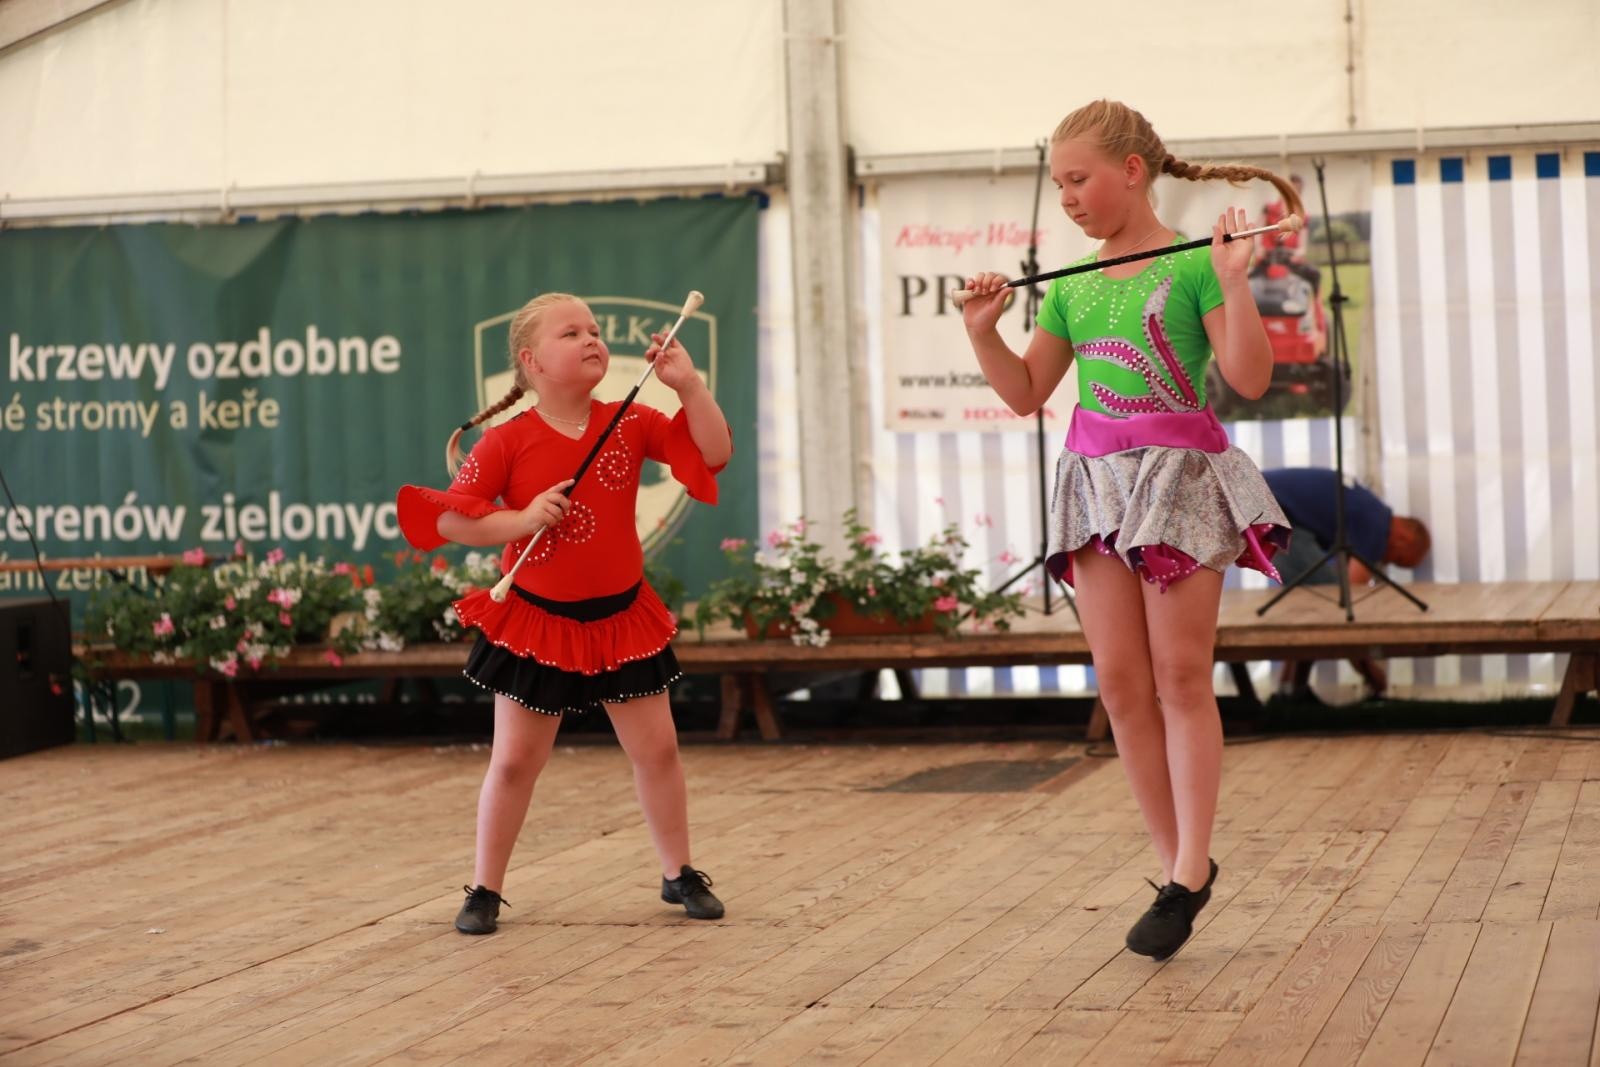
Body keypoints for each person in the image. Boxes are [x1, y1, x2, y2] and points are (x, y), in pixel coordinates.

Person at [959, 100, 1292, 961]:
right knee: (1119, 681)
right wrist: (982, 335)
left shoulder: (1191, 265)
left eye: (1079, 179)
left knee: (1181, 673)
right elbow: (1029, 393)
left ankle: (1189, 871)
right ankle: (1173, 867)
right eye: (1058, 183)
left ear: (1133, 171)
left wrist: (1230, 282)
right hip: (1096, 482)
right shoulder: (1067, 286)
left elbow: (1251, 379)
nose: (1066, 197)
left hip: (1178, 476)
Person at [396, 292, 733, 934]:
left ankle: (678, 871)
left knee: (658, 751)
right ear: (531, 361)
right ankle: (485, 888)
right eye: (570, 332)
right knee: (517, 761)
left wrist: (688, 386)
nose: (590, 339)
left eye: (595, 330)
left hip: (621, 617)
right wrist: (520, 520)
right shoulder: (507, 441)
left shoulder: (634, 421)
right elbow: (448, 517)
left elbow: (712, 452)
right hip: (537, 622)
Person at [1263, 466, 1432, 699]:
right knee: (1327, 602)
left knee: (1314, 602)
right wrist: (1368, 667)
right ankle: (1293, 689)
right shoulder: (1376, 528)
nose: (1387, 561)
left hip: (1262, 503)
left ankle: (1290, 688)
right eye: (1398, 559)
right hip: (1263, 507)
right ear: (1403, 537)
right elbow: (1345, 605)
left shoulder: (1370, 511)